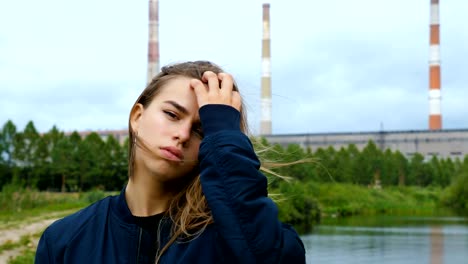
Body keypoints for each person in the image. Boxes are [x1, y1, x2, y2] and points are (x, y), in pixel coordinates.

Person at [35, 61, 306, 263]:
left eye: (202, 130)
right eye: (172, 114)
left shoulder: (233, 239)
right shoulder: (65, 240)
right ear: (137, 117)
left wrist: (224, 134)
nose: (183, 134)